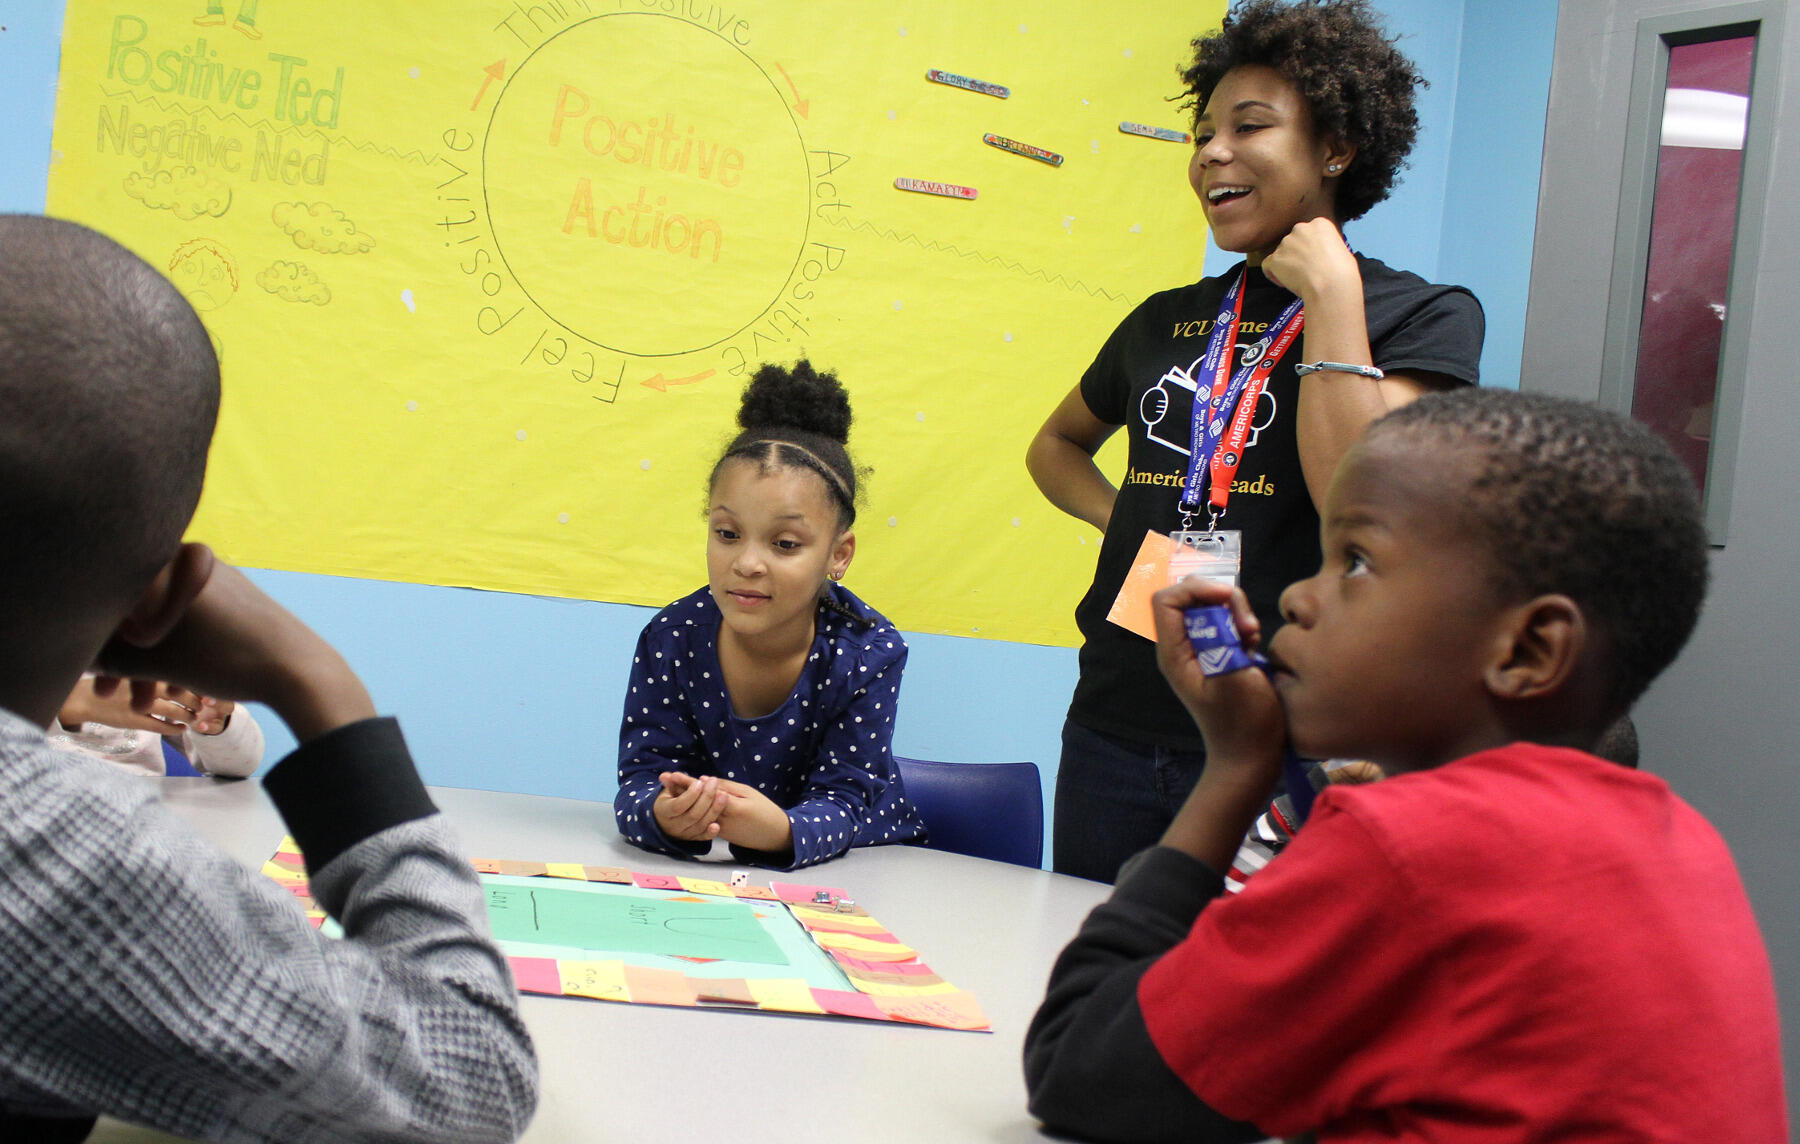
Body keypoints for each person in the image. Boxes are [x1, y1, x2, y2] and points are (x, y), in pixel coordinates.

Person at [1024, 389, 1787, 1141]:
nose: (1295, 598)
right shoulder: (1684, 843)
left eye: (1354, 562)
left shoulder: (1408, 848)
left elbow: (1081, 1068)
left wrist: (1234, 769)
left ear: (1527, 650)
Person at [0, 215, 537, 1142]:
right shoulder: (42, 843)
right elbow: (467, 1079)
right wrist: (313, 675)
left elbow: (229, 752)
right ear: (158, 601)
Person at [1027, 0, 1484, 882]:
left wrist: (1332, 300)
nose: (1212, 155)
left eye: (1249, 127)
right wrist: (1135, 521)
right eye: (1202, 135)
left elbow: (1364, 490)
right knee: (1091, 974)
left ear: (1336, 149)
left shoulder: (1422, 315)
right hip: (1115, 719)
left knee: (1246, 1000)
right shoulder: (1166, 319)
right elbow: (1055, 447)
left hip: (1286, 734)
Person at [613, 360, 926, 870]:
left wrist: (782, 830)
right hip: (714, 884)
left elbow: (845, 802)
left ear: (838, 554)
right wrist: (662, 814)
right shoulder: (671, 636)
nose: (747, 564)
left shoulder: (868, 652)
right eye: (727, 534)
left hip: (861, 873)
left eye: (784, 543)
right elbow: (640, 782)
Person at [52, 673, 265, 777]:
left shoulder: (144, 655)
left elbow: (242, 765)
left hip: (140, 817)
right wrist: (70, 702)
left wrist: (219, 725)